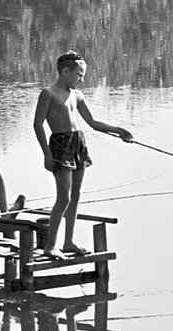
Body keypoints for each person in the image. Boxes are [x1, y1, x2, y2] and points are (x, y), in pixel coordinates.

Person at [33, 51, 133, 260]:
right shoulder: (48, 93)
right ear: (65, 71)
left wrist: (119, 130)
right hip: (60, 145)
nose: (82, 79)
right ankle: (50, 245)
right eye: (79, 75)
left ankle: (68, 242)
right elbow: (38, 125)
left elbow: (93, 123)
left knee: (76, 196)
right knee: (64, 197)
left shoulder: (77, 95)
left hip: (78, 143)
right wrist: (46, 153)